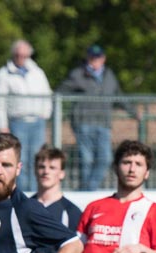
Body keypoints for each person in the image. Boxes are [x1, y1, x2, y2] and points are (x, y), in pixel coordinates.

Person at [0, 39, 53, 193]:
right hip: (17, 122)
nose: (21, 58)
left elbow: (47, 94)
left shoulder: (37, 72)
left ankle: (35, 193)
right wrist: (2, 126)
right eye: (18, 55)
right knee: (20, 161)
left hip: (37, 122)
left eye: (24, 55)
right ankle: (22, 194)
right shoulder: (3, 74)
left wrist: (45, 115)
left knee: (38, 160)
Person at [58, 45, 120, 192]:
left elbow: (119, 96)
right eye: (92, 57)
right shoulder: (78, 74)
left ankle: (88, 189)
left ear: (103, 58)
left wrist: (134, 112)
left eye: (98, 57)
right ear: (87, 57)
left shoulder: (109, 75)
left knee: (106, 158)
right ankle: (86, 192)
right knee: (86, 159)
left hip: (103, 123)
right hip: (83, 123)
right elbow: (61, 91)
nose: (95, 60)